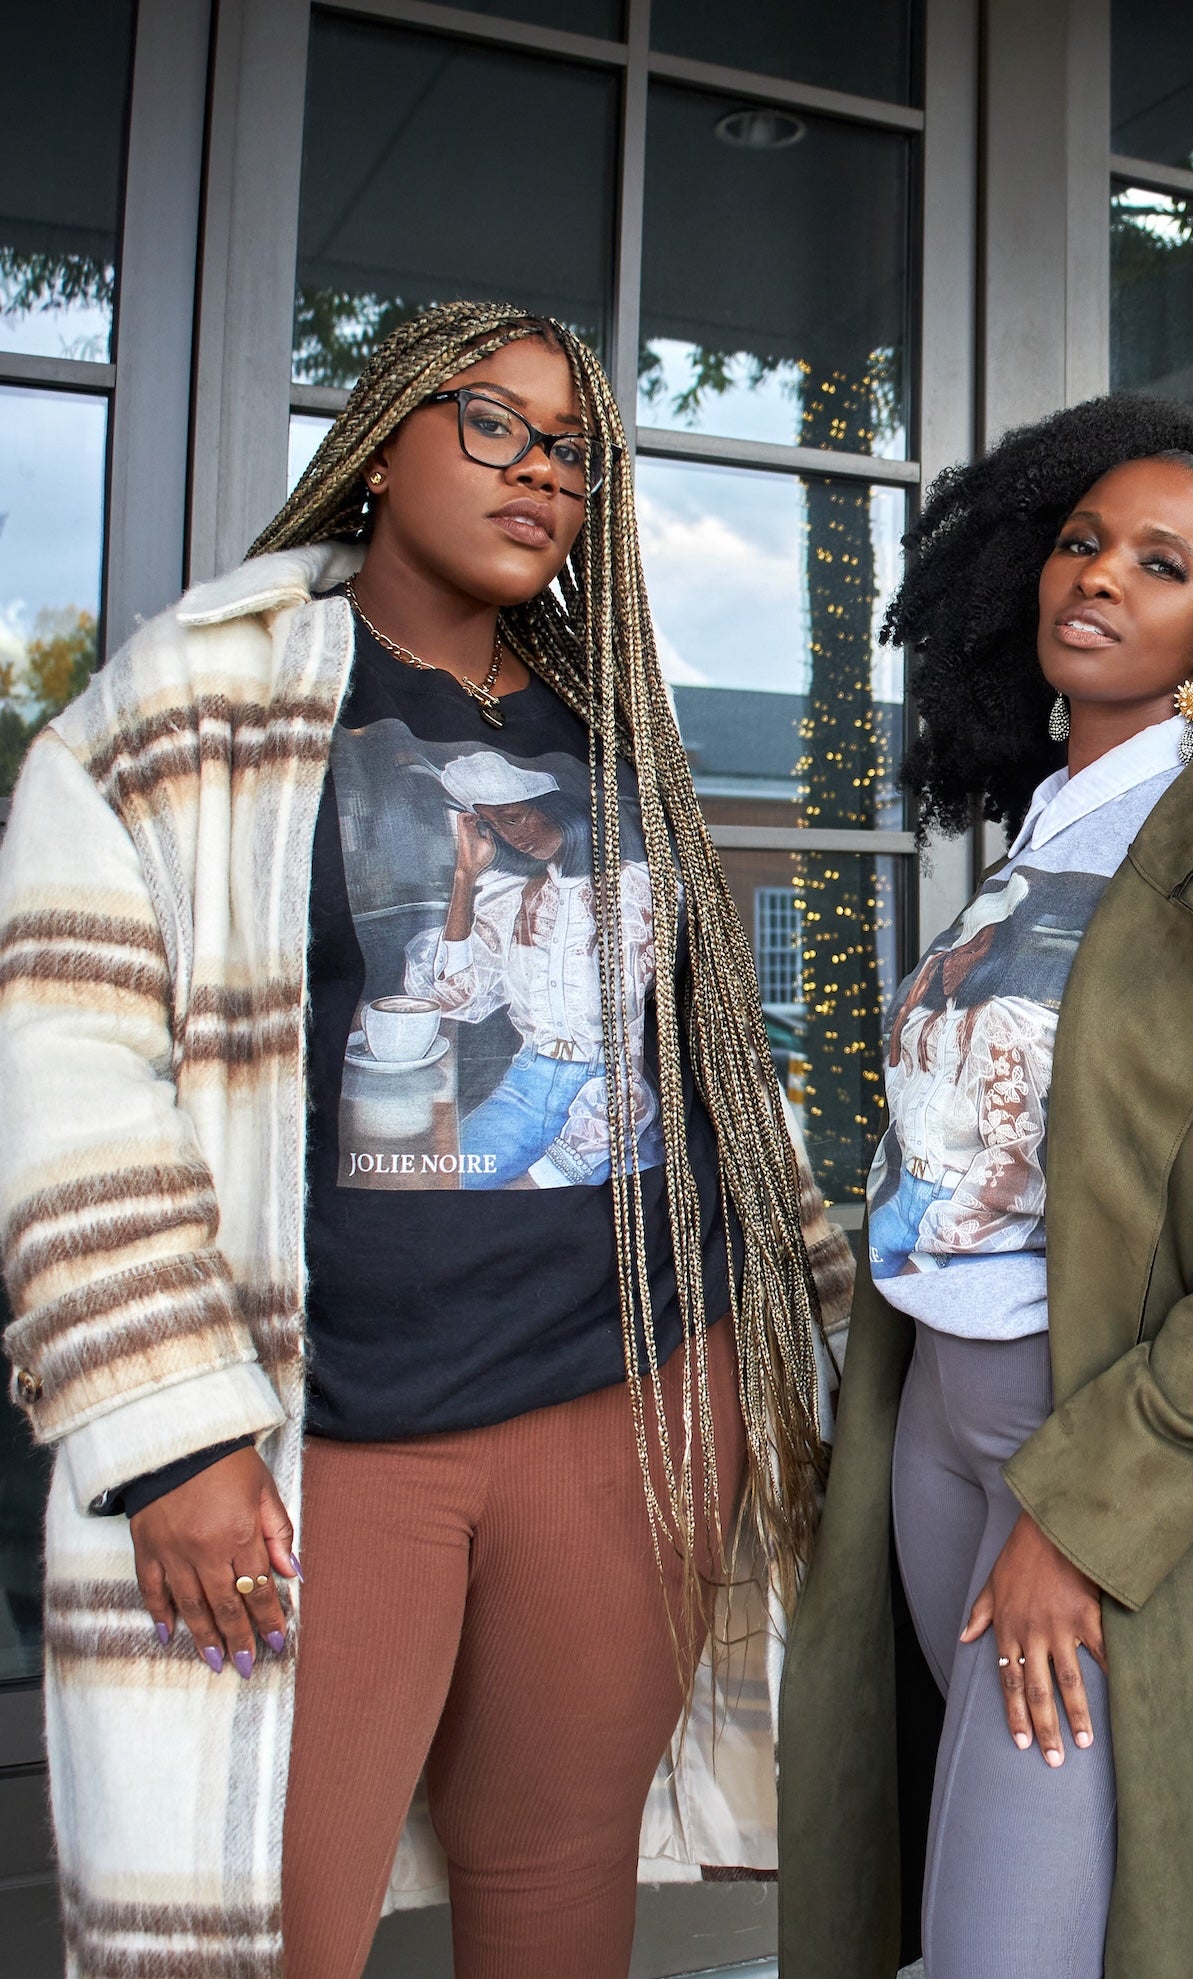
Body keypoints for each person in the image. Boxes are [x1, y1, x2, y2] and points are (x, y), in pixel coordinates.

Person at [0, 301, 851, 1979]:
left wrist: (779, 1336)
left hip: (632, 1407)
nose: (541, 467)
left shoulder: (614, 733)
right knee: (263, 1927)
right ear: (384, 439)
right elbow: (68, 1069)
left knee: (553, 1889)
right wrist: (167, 1434)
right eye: (493, 423)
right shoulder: (191, 704)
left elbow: (706, 1067)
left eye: (576, 450)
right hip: (327, 1440)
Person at [777, 394, 1193, 1979]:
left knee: (1014, 1945)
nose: (1099, 580)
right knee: (964, 1923)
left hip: (1094, 1458)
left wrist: (1081, 1519)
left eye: (1162, 565)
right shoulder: (1030, 853)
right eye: (1082, 543)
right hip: (938, 1436)